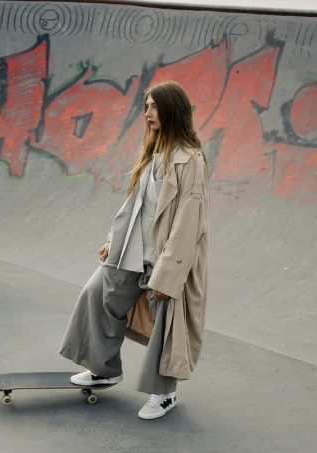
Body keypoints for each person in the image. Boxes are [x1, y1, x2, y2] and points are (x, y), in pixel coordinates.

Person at [58, 81, 210, 420]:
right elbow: (135, 203)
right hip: (132, 250)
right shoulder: (154, 151)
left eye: (154, 106)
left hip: (165, 258)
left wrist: (166, 275)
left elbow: (188, 225)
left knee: (166, 325)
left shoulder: (191, 161)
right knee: (97, 293)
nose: (147, 113)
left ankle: (165, 394)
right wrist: (113, 238)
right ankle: (104, 367)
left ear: (172, 109)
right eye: (146, 106)